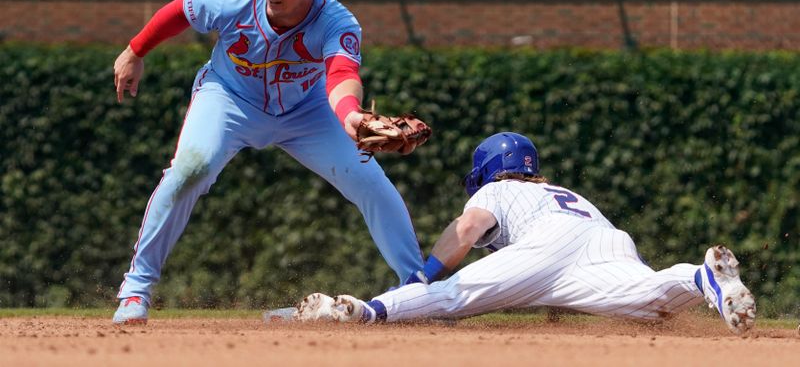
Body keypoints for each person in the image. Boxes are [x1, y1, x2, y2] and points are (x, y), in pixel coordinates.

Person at [111, 0, 425, 324]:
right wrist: (135, 51)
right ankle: (135, 290)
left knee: (368, 179)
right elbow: (180, 12)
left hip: (307, 110)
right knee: (190, 170)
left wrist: (351, 116)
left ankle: (416, 289)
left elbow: (342, 73)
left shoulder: (336, 21)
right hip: (228, 97)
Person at [294, 132, 757, 335]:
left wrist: (425, 274)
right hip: (606, 238)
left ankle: (359, 311)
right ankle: (701, 279)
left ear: (488, 171)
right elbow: (550, 278)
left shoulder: (498, 189)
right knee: (651, 303)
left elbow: (468, 228)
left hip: (547, 244)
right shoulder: (559, 189)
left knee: (450, 297)